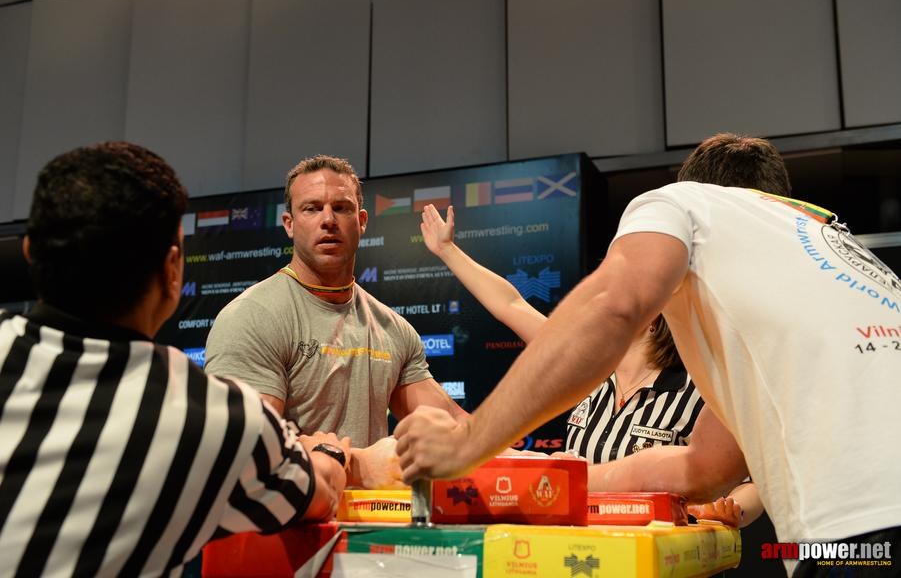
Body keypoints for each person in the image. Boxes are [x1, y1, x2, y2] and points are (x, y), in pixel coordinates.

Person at [397, 134, 900, 576]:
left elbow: (614, 303)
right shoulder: (831, 250)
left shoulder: (682, 202)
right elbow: (708, 468)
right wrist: (548, 479)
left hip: (857, 532)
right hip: (860, 541)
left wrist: (469, 446)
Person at [0, 142, 348, 576]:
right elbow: (318, 491)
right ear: (172, 271)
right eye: (312, 208)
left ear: (31, 252)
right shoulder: (221, 420)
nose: (328, 220)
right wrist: (332, 451)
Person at [420, 202, 757, 528]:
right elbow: (510, 304)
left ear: (655, 308)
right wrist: (448, 250)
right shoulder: (584, 368)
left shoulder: (698, 387)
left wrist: (733, 510)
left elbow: (750, 480)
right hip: (584, 550)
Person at [205, 155, 467, 488]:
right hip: (288, 533)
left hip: (373, 529)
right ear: (289, 223)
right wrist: (353, 464)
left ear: (361, 221)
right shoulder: (253, 316)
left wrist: (524, 457)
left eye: (341, 208)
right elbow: (247, 445)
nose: (328, 220)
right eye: (311, 208)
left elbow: (453, 427)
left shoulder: (393, 329)